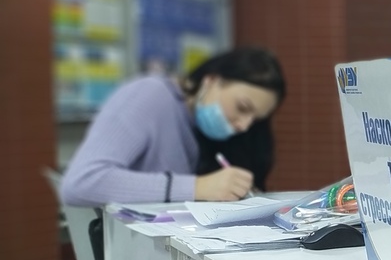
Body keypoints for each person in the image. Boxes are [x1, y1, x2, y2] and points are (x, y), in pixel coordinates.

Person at [61, 47, 286, 207]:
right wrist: (197, 188)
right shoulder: (149, 96)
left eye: (255, 120)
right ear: (211, 81)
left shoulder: (211, 134)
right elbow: (81, 183)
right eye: (242, 107)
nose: (243, 125)